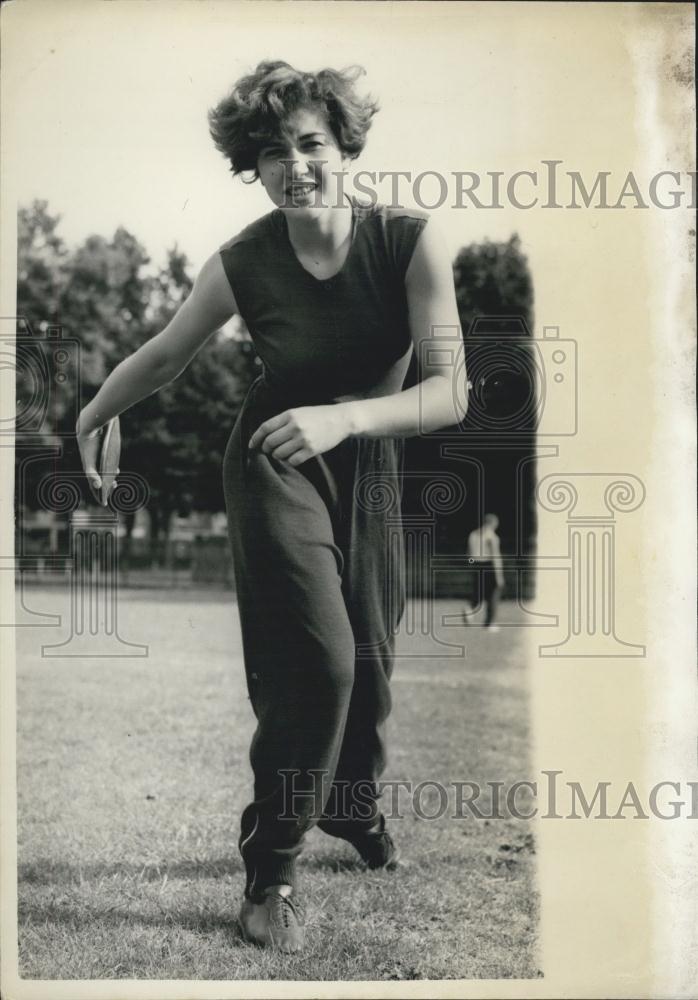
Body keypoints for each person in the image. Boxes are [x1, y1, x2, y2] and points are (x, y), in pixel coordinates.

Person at [76, 60, 467, 952]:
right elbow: (167, 353)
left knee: (368, 668)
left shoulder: (408, 241)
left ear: (343, 146)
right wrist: (94, 413)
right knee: (318, 663)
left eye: (310, 143)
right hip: (272, 458)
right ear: (250, 168)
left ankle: (354, 810)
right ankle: (270, 873)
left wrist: (346, 420)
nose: (295, 165)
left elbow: (453, 396)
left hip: (364, 461)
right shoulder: (244, 259)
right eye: (269, 153)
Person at [466, 513, 505, 631]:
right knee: (493, 594)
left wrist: (473, 565)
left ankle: (470, 610)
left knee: (478, 592)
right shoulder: (492, 537)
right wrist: (499, 575)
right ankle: (490, 623)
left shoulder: (473, 534)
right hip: (489, 565)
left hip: (477, 565)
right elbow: (495, 556)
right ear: (492, 523)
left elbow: (469, 554)